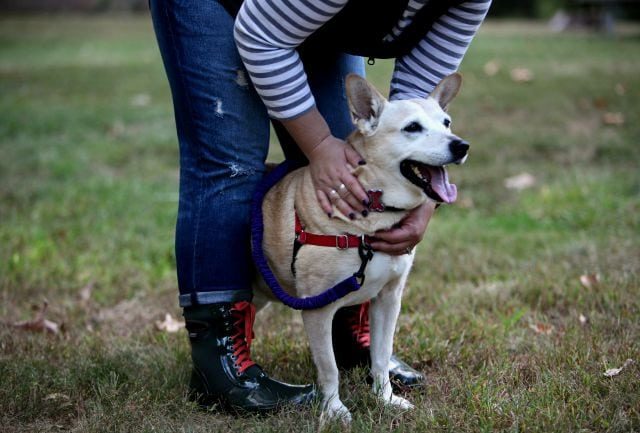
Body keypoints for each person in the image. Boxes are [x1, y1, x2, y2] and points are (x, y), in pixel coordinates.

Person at [149, 0, 492, 413]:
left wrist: (423, 195)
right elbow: (261, 36)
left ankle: (348, 329)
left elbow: (416, 102)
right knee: (230, 162)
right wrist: (318, 145)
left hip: (312, 17)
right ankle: (219, 366)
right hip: (221, 7)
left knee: (347, 159)